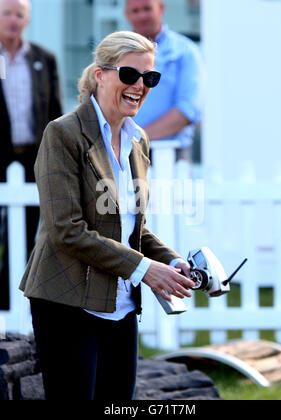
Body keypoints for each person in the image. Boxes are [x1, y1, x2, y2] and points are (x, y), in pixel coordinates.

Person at [19, 31, 195, 401]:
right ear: (100, 75)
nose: (140, 86)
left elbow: (134, 228)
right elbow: (67, 230)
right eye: (130, 75)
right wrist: (147, 269)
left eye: (150, 78)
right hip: (66, 301)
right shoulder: (63, 133)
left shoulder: (138, 139)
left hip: (122, 304)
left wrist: (173, 262)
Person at [0, 0, 62, 308]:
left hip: (33, 156)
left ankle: (13, 298)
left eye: (19, 15)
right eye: (7, 13)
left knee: (26, 232)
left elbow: (54, 111)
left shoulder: (43, 58)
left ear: (27, 20)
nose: (13, 20)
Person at [125, 0, 203, 162]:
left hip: (169, 154)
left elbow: (187, 111)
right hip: (122, 154)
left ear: (161, 8)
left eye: (147, 9)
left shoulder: (185, 52)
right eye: (135, 11)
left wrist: (136, 140)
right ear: (127, 14)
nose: (142, 16)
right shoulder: (118, 54)